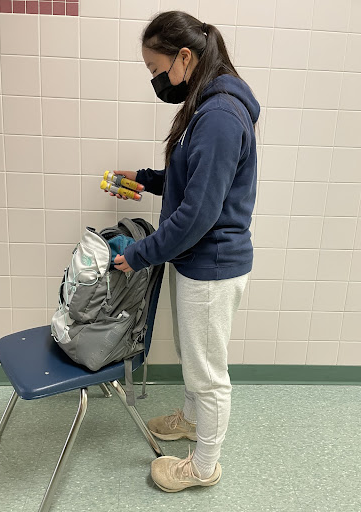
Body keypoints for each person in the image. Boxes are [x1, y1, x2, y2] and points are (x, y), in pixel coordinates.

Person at [104, 10, 260, 492]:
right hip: (199, 260)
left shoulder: (217, 114)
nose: (157, 80)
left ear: (185, 57)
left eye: (157, 69)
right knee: (197, 358)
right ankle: (193, 420)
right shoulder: (207, 104)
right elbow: (191, 180)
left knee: (208, 370)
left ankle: (204, 465)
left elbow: (197, 215)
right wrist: (147, 180)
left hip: (211, 264)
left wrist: (141, 253)